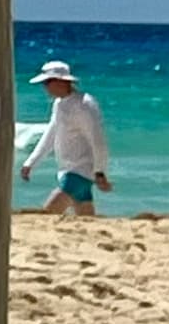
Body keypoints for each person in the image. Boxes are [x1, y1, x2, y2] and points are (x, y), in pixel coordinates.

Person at [19, 59, 112, 216]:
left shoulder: (83, 105)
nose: (45, 87)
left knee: (47, 215)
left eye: (47, 82)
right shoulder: (59, 104)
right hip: (68, 170)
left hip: (80, 172)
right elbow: (51, 134)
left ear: (61, 82)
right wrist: (31, 163)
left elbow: (97, 140)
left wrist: (100, 171)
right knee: (86, 220)